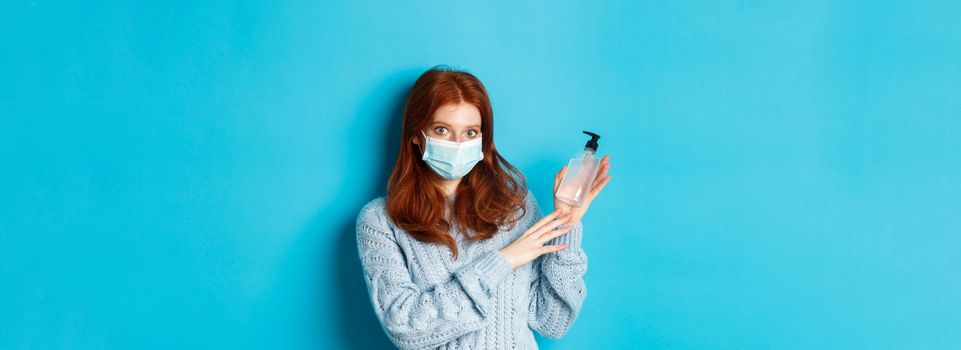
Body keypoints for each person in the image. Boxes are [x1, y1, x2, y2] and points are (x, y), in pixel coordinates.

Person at [355, 65, 612, 349]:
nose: (457, 143)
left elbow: (552, 322)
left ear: (482, 138)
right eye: (442, 130)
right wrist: (501, 261)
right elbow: (405, 329)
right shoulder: (381, 221)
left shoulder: (516, 207)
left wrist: (566, 222)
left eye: (470, 132)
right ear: (416, 135)